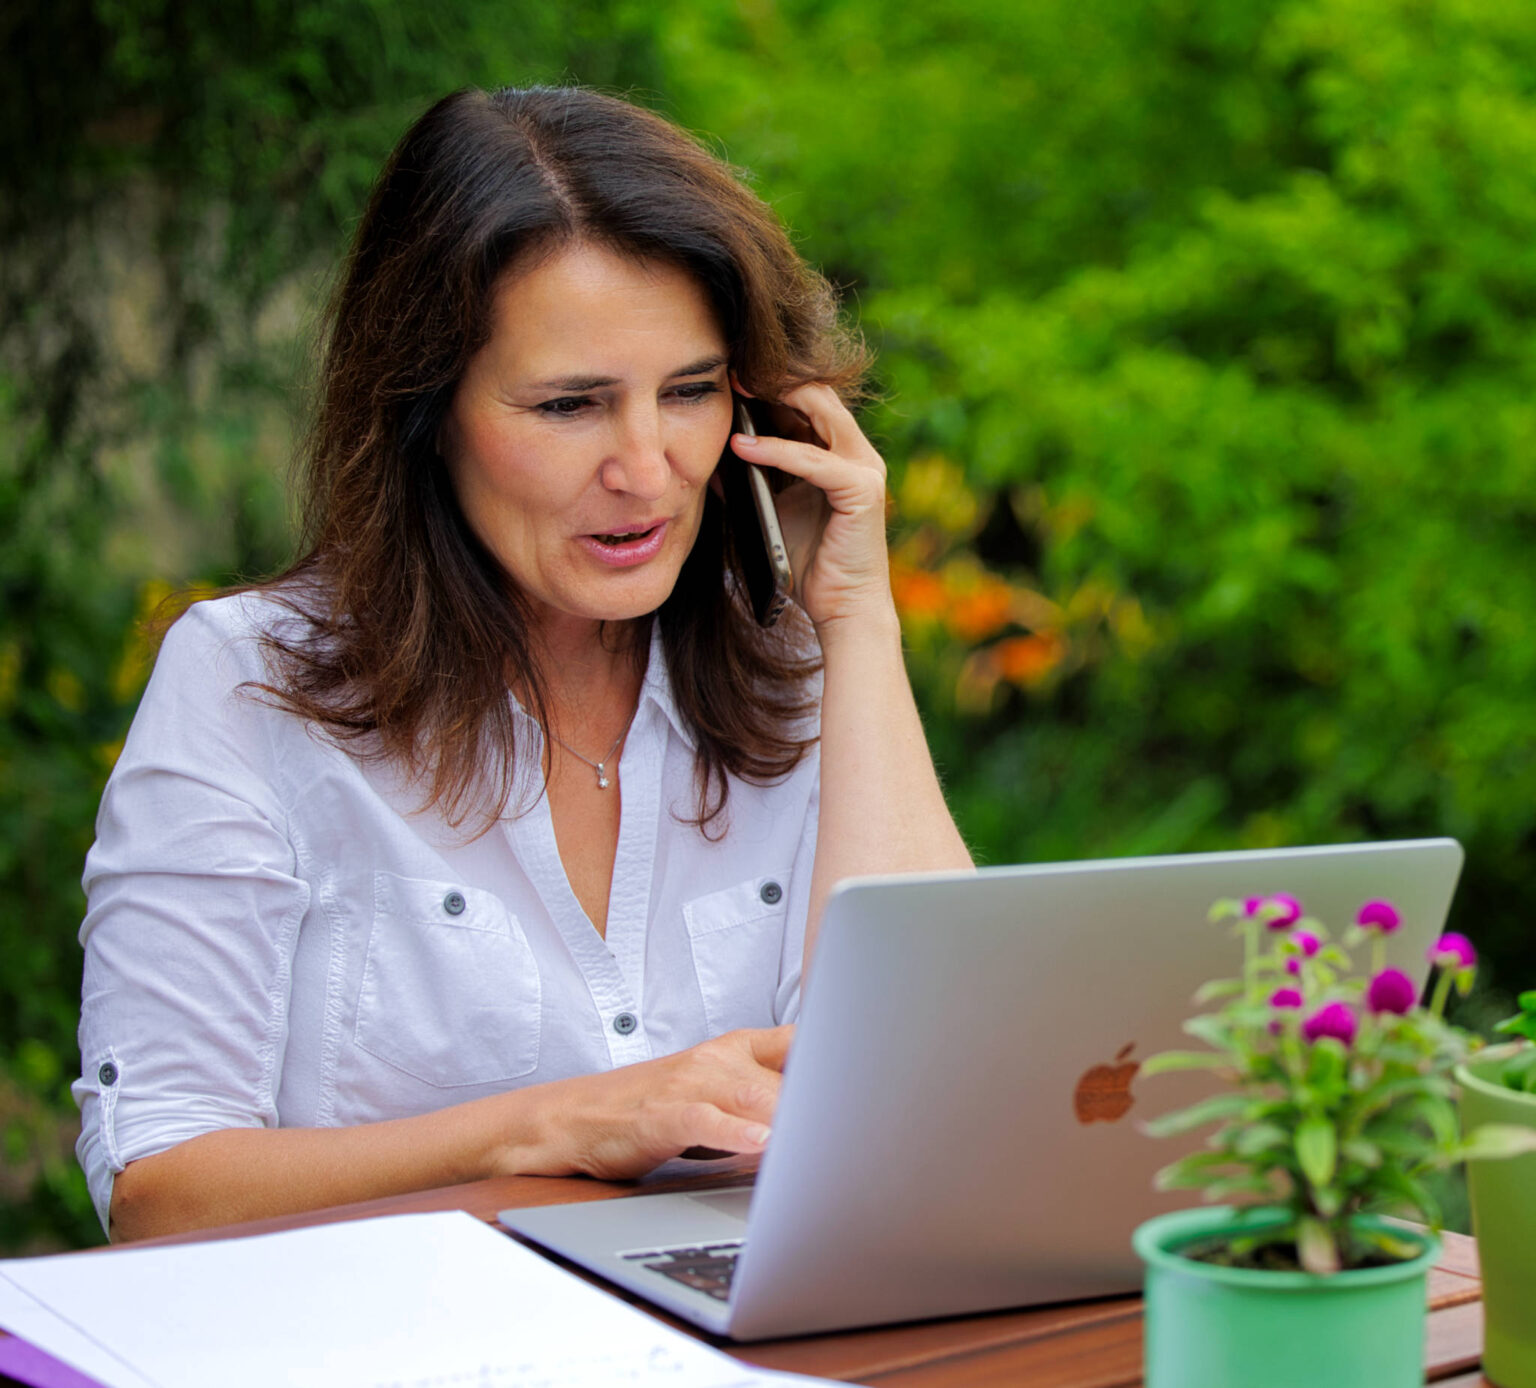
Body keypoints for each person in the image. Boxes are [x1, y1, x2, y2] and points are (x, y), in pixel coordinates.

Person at [74, 86, 972, 1242]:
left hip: (733, 1320)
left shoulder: (794, 666)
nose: (647, 468)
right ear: (426, 409)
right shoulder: (249, 682)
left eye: (691, 391)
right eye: (569, 405)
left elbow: (936, 1084)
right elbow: (157, 1191)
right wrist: (547, 1125)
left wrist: (856, 618)